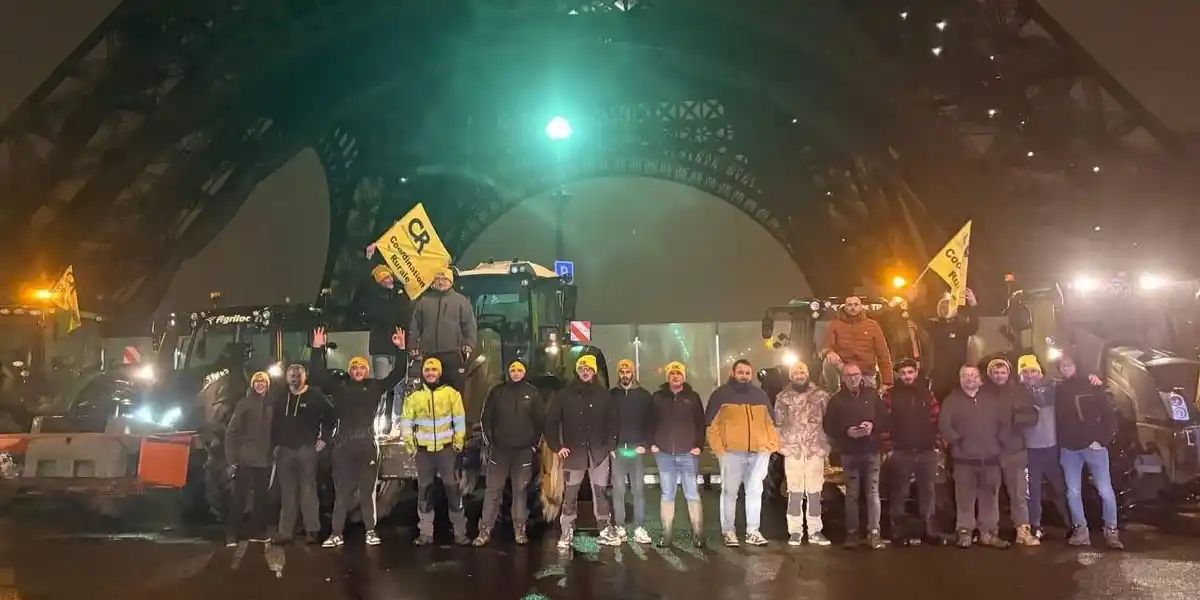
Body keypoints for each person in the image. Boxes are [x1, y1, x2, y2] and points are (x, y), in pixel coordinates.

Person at [309, 327, 407, 548]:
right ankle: (336, 534)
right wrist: (317, 349)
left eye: (362, 367)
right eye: (355, 367)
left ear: (367, 370)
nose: (359, 370)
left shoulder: (374, 387)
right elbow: (318, 375)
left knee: (367, 492)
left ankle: (370, 531)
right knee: (341, 493)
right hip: (343, 446)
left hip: (367, 446)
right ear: (350, 370)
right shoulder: (340, 387)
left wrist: (401, 349)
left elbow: (397, 374)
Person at [546, 354, 619, 550]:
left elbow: (613, 422)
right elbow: (551, 422)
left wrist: (611, 445)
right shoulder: (563, 395)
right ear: (577, 371)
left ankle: (604, 528)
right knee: (570, 494)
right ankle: (566, 530)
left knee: (601, 493)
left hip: (599, 453)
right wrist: (556, 446)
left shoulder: (604, 395)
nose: (585, 372)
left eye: (588, 369)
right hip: (573, 455)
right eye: (581, 369)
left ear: (594, 371)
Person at [396, 357, 469, 546]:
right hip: (424, 453)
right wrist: (411, 446)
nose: (430, 373)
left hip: (446, 451)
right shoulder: (414, 397)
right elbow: (406, 422)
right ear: (423, 373)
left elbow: (459, 419)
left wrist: (457, 443)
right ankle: (426, 533)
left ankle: (460, 533)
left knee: (453, 492)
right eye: (427, 370)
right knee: (424, 492)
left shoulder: (451, 394)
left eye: (433, 370)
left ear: (439, 372)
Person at [707, 359, 778, 548]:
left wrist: (770, 446)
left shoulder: (760, 395)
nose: (744, 376)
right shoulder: (720, 395)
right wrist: (720, 451)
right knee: (730, 493)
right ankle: (728, 531)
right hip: (731, 454)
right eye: (740, 372)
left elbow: (771, 423)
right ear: (733, 373)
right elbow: (711, 427)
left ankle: (753, 531)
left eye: (747, 372)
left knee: (755, 491)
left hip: (758, 454)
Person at [1055, 354, 1122, 549]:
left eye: (1069, 364)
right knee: (1073, 492)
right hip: (1069, 450)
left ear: (1077, 364)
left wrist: (1101, 440)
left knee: (1105, 491)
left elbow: (1110, 417)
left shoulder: (1093, 385)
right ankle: (1080, 531)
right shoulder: (1058, 389)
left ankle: (1111, 531)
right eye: (1062, 366)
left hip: (1094, 448)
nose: (1066, 368)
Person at [474, 359, 543, 547]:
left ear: (525, 372)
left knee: (520, 491)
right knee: (492, 491)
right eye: (512, 369)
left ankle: (520, 530)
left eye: (519, 369)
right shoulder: (497, 392)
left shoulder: (532, 393)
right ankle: (485, 530)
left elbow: (540, 422)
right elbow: (486, 419)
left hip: (522, 453)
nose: (516, 372)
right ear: (508, 372)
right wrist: (491, 442)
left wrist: (532, 445)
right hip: (499, 452)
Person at [939, 365, 1009, 549]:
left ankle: (988, 533)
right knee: (964, 498)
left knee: (990, 498)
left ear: (980, 378)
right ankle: (965, 533)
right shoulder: (951, 401)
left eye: (973, 375)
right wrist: (959, 443)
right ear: (960, 378)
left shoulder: (991, 400)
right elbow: (944, 426)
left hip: (990, 459)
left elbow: (1005, 423)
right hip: (964, 461)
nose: (970, 379)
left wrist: (999, 444)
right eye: (965, 375)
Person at [823, 362, 888, 550]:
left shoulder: (872, 395)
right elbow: (828, 426)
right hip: (849, 453)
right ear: (843, 378)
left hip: (871, 450)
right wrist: (847, 431)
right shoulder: (836, 400)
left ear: (861, 375)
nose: (853, 378)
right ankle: (852, 534)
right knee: (852, 494)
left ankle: (874, 533)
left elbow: (885, 418)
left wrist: (872, 425)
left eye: (856, 375)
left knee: (873, 493)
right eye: (849, 375)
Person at [884, 358, 947, 546]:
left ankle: (928, 530)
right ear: (898, 375)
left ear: (916, 373)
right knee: (899, 492)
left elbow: (937, 420)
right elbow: (884, 423)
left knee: (928, 491)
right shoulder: (890, 395)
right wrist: (888, 448)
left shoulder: (927, 395)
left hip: (926, 451)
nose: (907, 376)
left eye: (910, 372)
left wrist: (936, 445)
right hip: (902, 451)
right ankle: (897, 531)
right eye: (903, 373)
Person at [772, 361, 833, 546]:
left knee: (815, 492)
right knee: (794, 492)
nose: (799, 375)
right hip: (794, 451)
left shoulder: (821, 396)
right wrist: (784, 446)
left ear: (807, 374)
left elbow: (829, 422)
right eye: (796, 372)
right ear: (791, 376)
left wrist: (826, 446)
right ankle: (795, 531)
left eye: (802, 372)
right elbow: (778, 424)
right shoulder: (783, 397)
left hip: (815, 450)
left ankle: (815, 531)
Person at [649, 361, 706, 548]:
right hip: (664, 454)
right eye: (672, 373)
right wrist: (652, 443)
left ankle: (698, 535)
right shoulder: (657, 397)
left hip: (688, 454)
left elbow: (700, 423)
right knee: (667, 494)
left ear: (684, 376)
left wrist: (698, 445)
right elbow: (649, 421)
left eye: (678, 373)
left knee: (692, 494)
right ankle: (666, 535)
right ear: (667, 376)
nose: (675, 376)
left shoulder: (693, 397)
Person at [984, 357, 1041, 546]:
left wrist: (1013, 419)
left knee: (1018, 494)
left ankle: (1023, 530)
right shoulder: (983, 393)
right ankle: (990, 531)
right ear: (990, 374)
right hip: (990, 452)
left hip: (1014, 450)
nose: (999, 376)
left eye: (1002, 372)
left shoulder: (1019, 391)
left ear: (1008, 373)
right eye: (995, 373)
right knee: (990, 493)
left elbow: (1033, 415)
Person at [272, 364, 330, 544]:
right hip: (284, 450)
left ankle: (311, 531)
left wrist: (324, 439)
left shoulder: (315, 396)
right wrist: (274, 445)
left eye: (299, 374)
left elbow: (331, 416)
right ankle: (285, 532)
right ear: (287, 377)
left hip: (306, 449)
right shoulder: (281, 397)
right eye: (292, 374)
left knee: (308, 490)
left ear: (305, 376)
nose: (295, 377)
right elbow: (273, 422)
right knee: (287, 492)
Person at [1019, 354, 1072, 540]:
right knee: (1032, 492)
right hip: (1030, 450)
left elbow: (1070, 382)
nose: (1030, 375)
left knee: (1060, 488)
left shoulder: (1053, 388)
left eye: (1033, 370)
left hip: (1052, 448)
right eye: (1024, 372)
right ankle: (1035, 526)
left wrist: (1093, 378)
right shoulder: (1017, 393)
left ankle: (1071, 524)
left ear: (1040, 371)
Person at [225, 371, 275, 546]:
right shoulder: (244, 404)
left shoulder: (272, 404)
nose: (260, 384)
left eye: (263, 381)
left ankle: (258, 532)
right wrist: (232, 460)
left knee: (261, 498)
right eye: (257, 381)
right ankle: (231, 534)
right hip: (245, 458)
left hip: (265, 460)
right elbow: (232, 432)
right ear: (253, 384)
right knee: (239, 498)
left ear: (268, 385)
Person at [407, 269, 476, 391]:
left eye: (444, 279)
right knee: (428, 389)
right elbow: (415, 325)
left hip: (453, 353)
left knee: (454, 389)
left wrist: (469, 343)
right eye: (438, 279)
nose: (441, 282)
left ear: (451, 281)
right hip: (429, 353)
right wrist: (413, 345)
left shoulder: (461, 301)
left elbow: (469, 324)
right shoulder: (424, 301)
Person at [609, 359, 653, 546]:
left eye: (628, 371)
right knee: (618, 490)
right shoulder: (612, 395)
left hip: (637, 450)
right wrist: (610, 446)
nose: (625, 374)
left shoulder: (644, 396)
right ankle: (619, 527)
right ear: (618, 373)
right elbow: (607, 421)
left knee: (638, 491)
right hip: (618, 451)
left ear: (633, 372)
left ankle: (639, 528)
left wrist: (646, 443)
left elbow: (651, 421)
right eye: (622, 371)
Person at [820, 296, 894, 391]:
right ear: (845, 307)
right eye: (849, 305)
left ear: (861, 307)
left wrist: (887, 382)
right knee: (828, 361)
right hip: (844, 369)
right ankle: (834, 392)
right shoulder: (834, 324)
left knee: (869, 401)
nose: (853, 308)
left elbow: (883, 354)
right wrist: (829, 352)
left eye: (856, 304)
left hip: (866, 371)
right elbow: (826, 345)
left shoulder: (873, 325)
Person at [921, 288, 979, 400]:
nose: (944, 308)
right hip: (938, 378)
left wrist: (973, 305)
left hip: (957, 377)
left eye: (948, 305)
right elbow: (919, 319)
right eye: (942, 305)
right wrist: (912, 301)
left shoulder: (961, 326)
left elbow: (974, 326)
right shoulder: (935, 325)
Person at [364, 264, 412, 379]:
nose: (388, 280)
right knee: (382, 381)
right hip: (381, 346)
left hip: (400, 345)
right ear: (379, 281)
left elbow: (406, 316)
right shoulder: (373, 296)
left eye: (389, 276)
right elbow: (377, 317)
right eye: (384, 278)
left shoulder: (402, 293)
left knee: (399, 382)